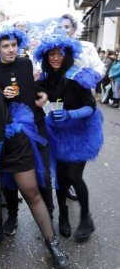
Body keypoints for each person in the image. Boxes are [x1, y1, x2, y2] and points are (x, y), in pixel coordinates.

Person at [0, 28, 70, 268]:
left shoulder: (25, 64)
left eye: (13, 45)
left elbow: (34, 89)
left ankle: (53, 244)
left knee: (34, 187)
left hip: (27, 132)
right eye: (5, 46)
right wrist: (1, 95)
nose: (10, 49)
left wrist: (41, 94)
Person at [34, 33, 103, 241]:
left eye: (60, 53)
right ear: (45, 56)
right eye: (52, 54)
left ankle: (85, 216)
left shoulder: (78, 76)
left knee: (74, 176)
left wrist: (70, 114)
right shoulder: (45, 78)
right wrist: (42, 98)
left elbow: (91, 106)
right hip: (59, 132)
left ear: (68, 55)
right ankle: (63, 215)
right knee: (61, 179)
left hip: (81, 131)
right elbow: (37, 95)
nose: (56, 58)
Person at [58, 13, 106, 200]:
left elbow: (100, 68)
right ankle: (65, 186)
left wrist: (89, 77)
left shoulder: (87, 47)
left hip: (83, 106)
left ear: (74, 29)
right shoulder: (53, 49)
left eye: (67, 27)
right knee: (62, 153)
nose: (64, 30)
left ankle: (71, 181)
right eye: (60, 27)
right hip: (60, 105)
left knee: (77, 153)